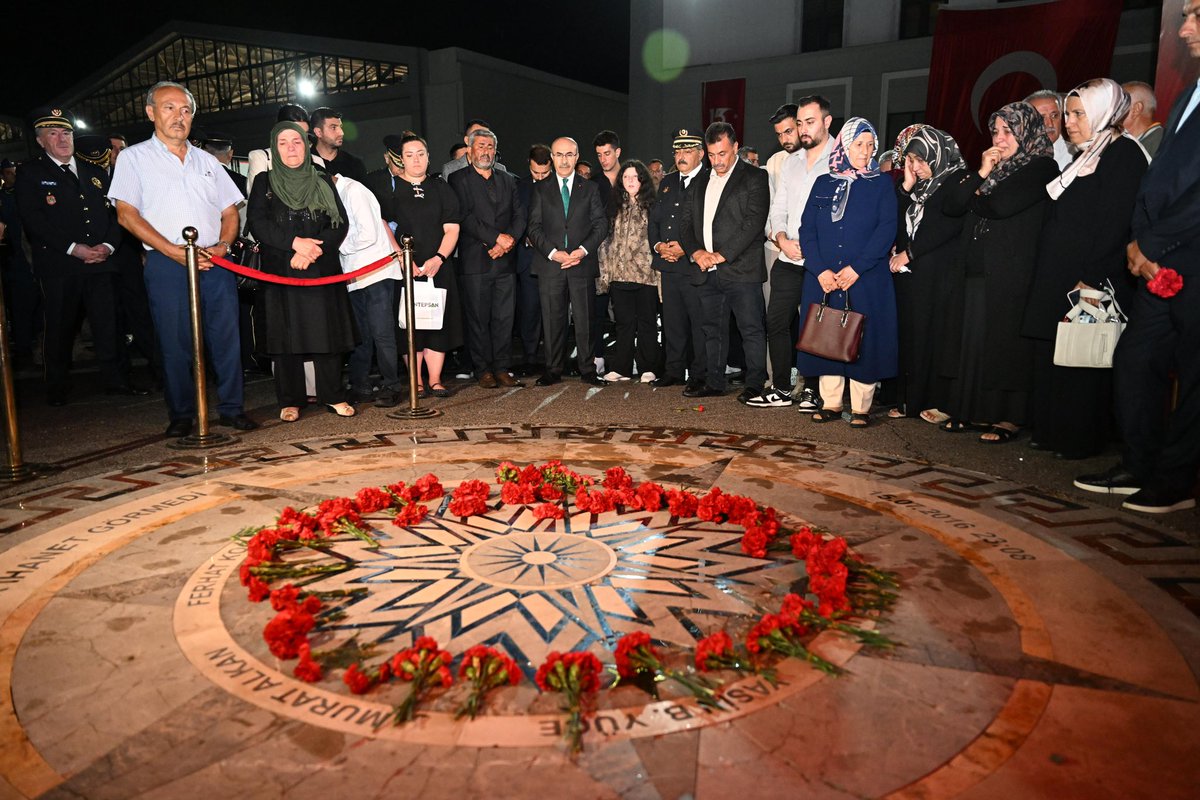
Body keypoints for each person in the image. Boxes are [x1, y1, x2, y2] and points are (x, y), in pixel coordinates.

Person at [1075, 0, 1200, 514]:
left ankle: (1175, 482)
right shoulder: (1192, 91)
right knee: (1135, 360)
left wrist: (1151, 242)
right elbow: (1161, 180)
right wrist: (1140, 241)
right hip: (1157, 260)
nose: (1185, 26)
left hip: (1189, 255)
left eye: (1195, 14)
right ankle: (1141, 463)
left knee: (1193, 378)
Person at [109, 81, 255, 437]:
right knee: (174, 341)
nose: (179, 116)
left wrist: (223, 244)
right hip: (166, 262)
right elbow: (126, 215)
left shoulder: (207, 161)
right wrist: (170, 250)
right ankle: (182, 413)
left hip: (214, 261)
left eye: (186, 110)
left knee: (226, 336)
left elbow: (230, 211)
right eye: (169, 108)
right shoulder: (134, 158)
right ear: (151, 113)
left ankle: (232, 408)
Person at [1021, 79, 1149, 460]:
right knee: (1060, 359)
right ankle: (1052, 432)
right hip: (1060, 275)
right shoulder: (1087, 154)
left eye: (1078, 114)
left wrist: (1091, 277)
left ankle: (1079, 440)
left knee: (1085, 360)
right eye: (1068, 113)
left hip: (1092, 278)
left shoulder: (1123, 155)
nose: (1069, 121)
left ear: (1103, 113)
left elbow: (1116, 222)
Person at [939, 102, 1059, 443]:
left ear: (1026, 133)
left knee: (1005, 345)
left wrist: (976, 194)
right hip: (976, 269)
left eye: (1009, 131)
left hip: (1013, 271)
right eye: (995, 131)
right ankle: (970, 410)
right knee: (974, 342)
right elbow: (951, 205)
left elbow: (999, 206)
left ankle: (1008, 418)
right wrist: (981, 173)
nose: (1000, 139)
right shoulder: (994, 169)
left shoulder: (1041, 167)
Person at [16, 107, 143, 405]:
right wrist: (75, 248)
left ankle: (117, 380)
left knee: (109, 324)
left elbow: (117, 216)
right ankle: (57, 386)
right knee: (60, 326)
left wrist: (109, 246)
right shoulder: (31, 173)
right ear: (41, 141)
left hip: (101, 262)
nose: (62, 139)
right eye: (54, 133)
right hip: (61, 265)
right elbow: (33, 220)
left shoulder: (95, 173)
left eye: (67, 133)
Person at [246, 121, 356, 421]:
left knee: (326, 336)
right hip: (281, 271)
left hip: (320, 269)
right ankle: (290, 400)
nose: (291, 148)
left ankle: (333, 396)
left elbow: (339, 223)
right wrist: (295, 244)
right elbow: (258, 224)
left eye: (296, 141)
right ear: (274, 148)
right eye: (283, 142)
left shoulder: (321, 177)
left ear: (306, 146)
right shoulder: (263, 182)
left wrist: (313, 251)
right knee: (286, 338)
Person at [797, 117, 899, 427]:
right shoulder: (824, 183)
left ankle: (861, 408)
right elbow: (807, 230)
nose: (865, 151)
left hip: (866, 277)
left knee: (863, 339)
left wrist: (857, 268)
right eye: (859, 145)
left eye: (870, 146)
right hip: (825, 278)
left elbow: (886, 230)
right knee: (828, 336)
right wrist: (820, 270)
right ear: (844, 146)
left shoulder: (881, 184)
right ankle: (830, 403)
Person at [678, 122, 771, 402]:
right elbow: (685, 225)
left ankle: (755, 382)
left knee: (751, 328)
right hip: (707, 269)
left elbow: (753, 224)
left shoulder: (755, 177)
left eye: (722, 153)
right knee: (712, 329)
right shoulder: (700, 181)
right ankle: (714, 380)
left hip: (741, 268)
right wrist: (696, 253)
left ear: (735, 148)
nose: (717, 161)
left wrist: (720, 255)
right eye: (711, 155)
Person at [889, 127, 968, 423]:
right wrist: (906, 186)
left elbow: (947, 226)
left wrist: (909, 254)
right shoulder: (918, 190)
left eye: (921, 161)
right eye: (911, 160)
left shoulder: (954, 182)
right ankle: (911, 399)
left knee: (937, 337)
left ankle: (938, 401)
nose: (917, 167)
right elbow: (899, 228)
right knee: (911, 336)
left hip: (942, 275)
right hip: (914, 276)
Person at [760, 96, 834, 409]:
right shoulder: (789, 163)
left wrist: (816, 246)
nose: (803, 129)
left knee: (814, 326)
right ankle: (780, 386)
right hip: (788, 256)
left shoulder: (838, 159)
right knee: (776, 322)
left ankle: (812, 390)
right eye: (800, 123)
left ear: (826, 122)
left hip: (820, 260)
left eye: (809, 122)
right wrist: (781, 237)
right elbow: (777, 207)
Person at [526, 136, 608, 386]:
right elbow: (534, 227)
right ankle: (553, 369)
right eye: (559, 155)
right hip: (551, 263)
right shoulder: (540, 188)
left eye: (569, 154)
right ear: (552, 157)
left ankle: (587, 369)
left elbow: (601, 224)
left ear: (577, 156)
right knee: (552, 319)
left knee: (585, 319)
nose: (564, 160)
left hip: (580, 262)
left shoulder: (590, 188)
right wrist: (553, 252)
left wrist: (582, 251)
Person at [449, 128, 524, 388]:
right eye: (481, 146)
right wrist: (495, 239)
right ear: (470, 150)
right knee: (478, 319)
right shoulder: (458, 179)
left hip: (505, 261)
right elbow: (465, 216)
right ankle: (483, 370)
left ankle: (502, 368)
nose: (486, 151)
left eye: (490, 146)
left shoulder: (508, 179)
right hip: (475, 261)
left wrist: (508, 242)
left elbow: (519, 216)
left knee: (505, 318)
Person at [394, 133, 463, 397]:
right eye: (410, 155)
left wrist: (439, 258)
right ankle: (417, 382)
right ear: (401, 159)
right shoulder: (393, 188)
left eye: (421, 154)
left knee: (437, 323)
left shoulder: (441, 187)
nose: (416, 160)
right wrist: (402, 257)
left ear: (428, 156)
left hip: (438, 265)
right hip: (405, 266)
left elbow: (452, 229)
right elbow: (386, 227)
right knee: (411, 324)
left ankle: (435, 380)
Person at [335, 164, 405, 409]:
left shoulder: (353, 190)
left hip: (375, 272)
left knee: (381, 332)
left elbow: (368, 234)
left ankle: (391, 385)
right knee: (361, 334)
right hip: (354, 274)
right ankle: (360, 383)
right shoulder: (339, 193)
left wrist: (337, 246)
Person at [649, 129, 709, 390]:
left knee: (698, 322)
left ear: (700, 153)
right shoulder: (667, 182)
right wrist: (659, 245)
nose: (681, 156)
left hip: (693, 264)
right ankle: (674, 370)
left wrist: (685, 248)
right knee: (672, 321)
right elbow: (655, 220)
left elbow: (710, 223)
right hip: (668, 264)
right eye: (677, 151)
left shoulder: (709, 181)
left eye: (687, 151)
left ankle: (699, 374)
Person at [599, 160, 661, 382]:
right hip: (619, 275)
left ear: (642, 180)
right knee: (624, 323)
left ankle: (648, 367)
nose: (631, 181)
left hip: (646, 275)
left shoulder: (652, 205)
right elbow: (606, 241)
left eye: (635, 177)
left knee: (646, 322)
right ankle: (621, 368)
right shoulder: (614, 206)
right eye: (626, 177)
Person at [513, 143, 553, 375]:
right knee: (529, 309)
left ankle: (552, 358)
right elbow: (517, 217)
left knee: (553, 309)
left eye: (544, 173)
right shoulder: (520, 186)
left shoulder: (559, 186)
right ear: (529, 165)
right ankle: (529, 357)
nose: (539, 177)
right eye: (535, 172)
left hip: (553, 257)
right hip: (528, 257)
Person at [310, 107, 367, 182]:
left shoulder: (354, 164)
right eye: (333, 127)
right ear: (318, 132)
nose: (341, 133)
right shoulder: (305, 162)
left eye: (340, 127)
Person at [1026, 90, 1074, 170]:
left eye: (1054, 116)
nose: (1050, 124)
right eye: (1041, 118)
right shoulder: (1012, 157)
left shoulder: (1077, 156)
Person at [1122, 81, 1164, 158]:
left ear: (1136, 109)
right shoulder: (1131, 143)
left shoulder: (1160, 144)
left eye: (1117, 105)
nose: (1111, 112)